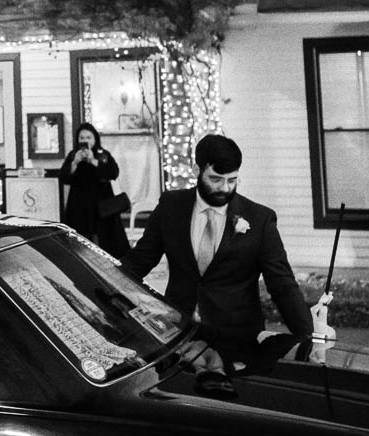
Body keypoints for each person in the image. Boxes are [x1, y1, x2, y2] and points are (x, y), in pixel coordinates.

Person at [120, 133, 313, 374]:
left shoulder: (259, 219)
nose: (225, 188)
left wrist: (308, 339)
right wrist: (101, 285)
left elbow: (282, 285)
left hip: (238, 343)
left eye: (232, 180)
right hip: (179, 338)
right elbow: (139, 261)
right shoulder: (171, 206)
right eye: (215, 179)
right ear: (196, 170)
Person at [56, 122, 130, 257]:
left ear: (95, 139)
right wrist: (75, 163)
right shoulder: (74, 155)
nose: (85, 141)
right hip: (79, 205)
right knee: (80, 242)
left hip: (102, 206)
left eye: (88, 137)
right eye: (82, 138)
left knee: (106, 242)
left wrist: (94, 161)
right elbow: (64, 177)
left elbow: (113, 173)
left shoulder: (103, 155)